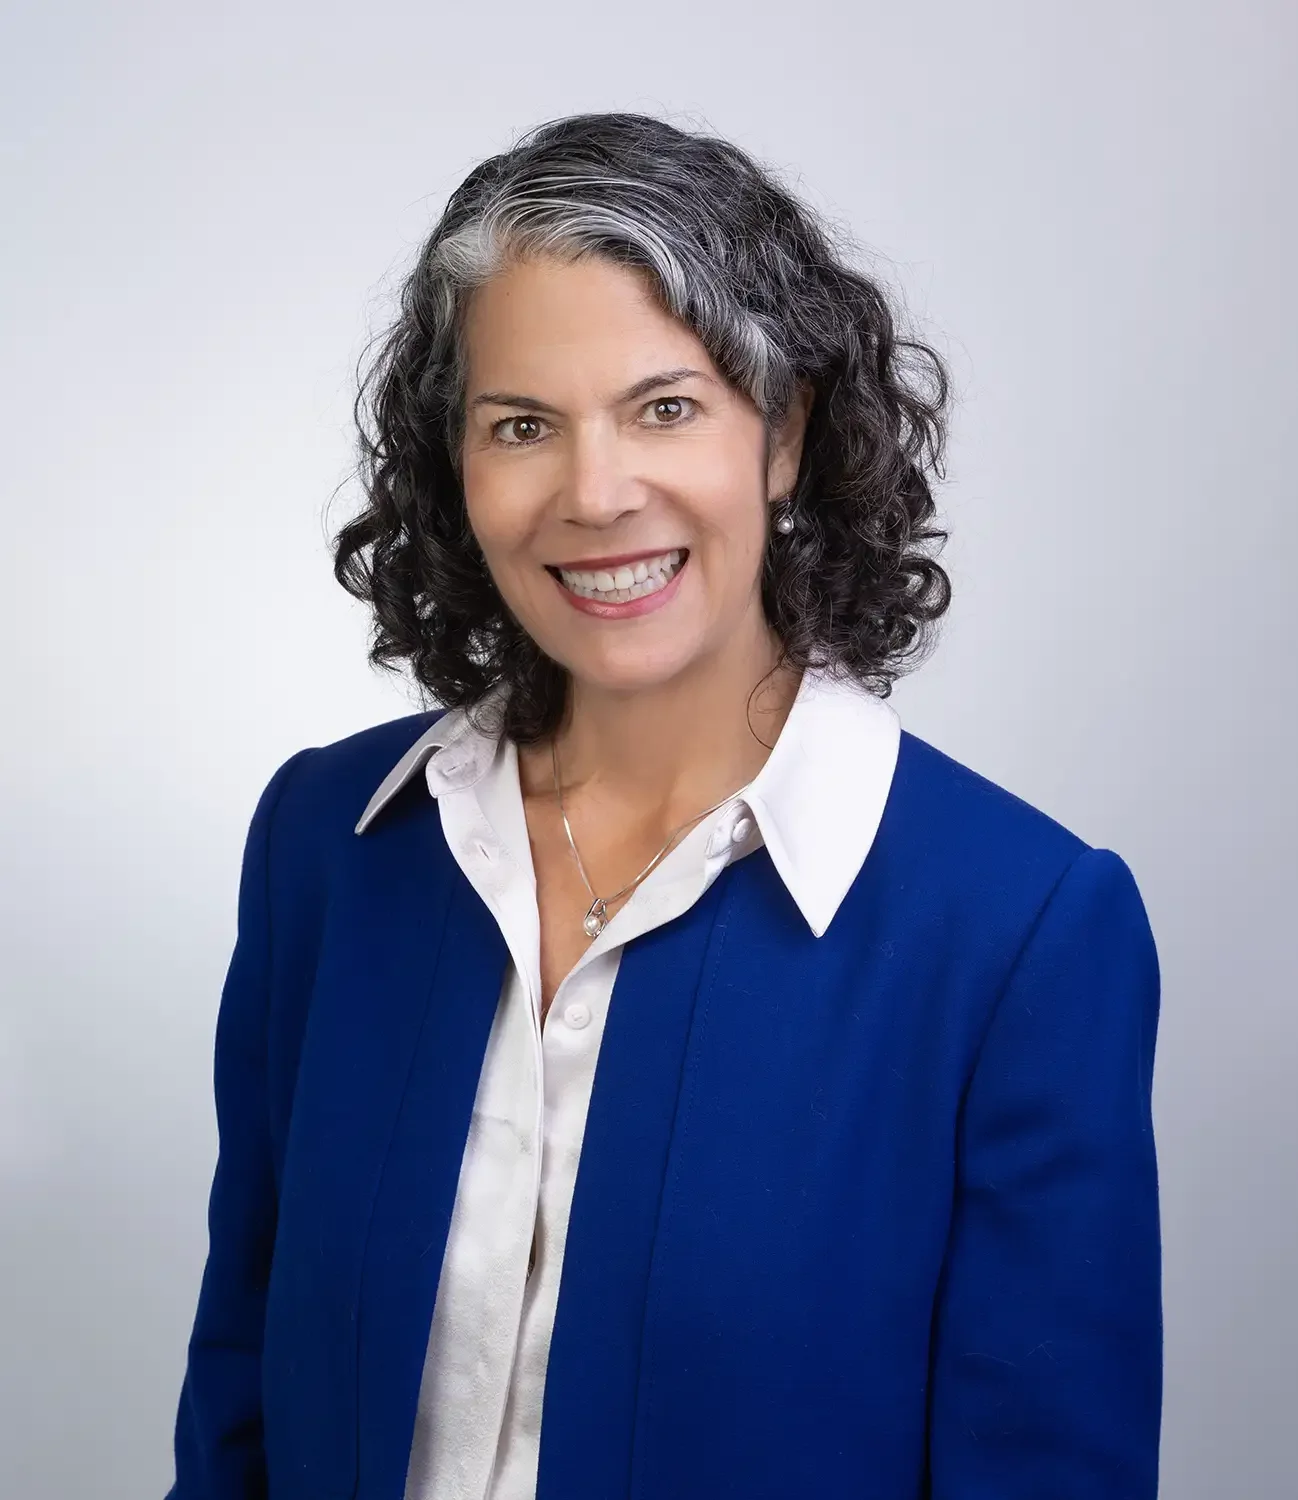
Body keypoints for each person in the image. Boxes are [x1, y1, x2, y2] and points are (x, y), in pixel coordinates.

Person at [165, 112, 1163, 1500]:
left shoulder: (1014, 930)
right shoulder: (329, 852)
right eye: (521, 425)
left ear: (785, 432)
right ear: (455, 467)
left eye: (665, 407)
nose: (595, 493)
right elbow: (237, 1403)